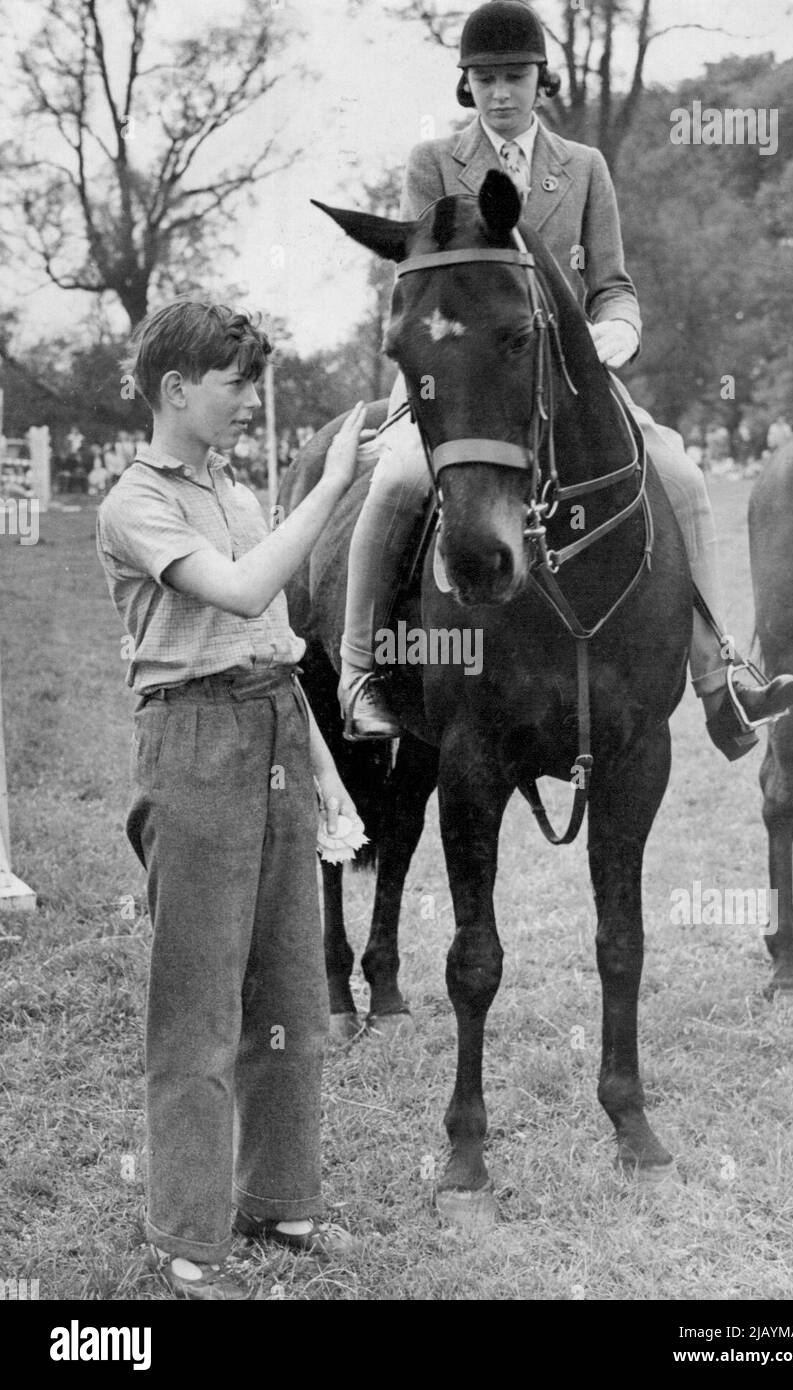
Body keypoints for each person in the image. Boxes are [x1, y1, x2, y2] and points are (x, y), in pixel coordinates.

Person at [338, 0, 793, 759]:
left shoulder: (583, 167)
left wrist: (617, 326)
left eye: (515, 77)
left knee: (680, 474)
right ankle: (362, 673)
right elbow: (428, 282)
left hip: (567, 376)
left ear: (539, 78)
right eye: (484, 80)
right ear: (467, 85)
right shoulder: (433, 165)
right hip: (460, 377)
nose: (501, 94)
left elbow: (612, 281)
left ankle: (722, 682)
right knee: (393, 484)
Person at [96, 299, 367, 1300]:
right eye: (230, 383)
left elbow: (275, 638)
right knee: (198, 1004)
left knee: (291, 988)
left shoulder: (240, 491)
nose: (246, 400)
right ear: (174, 390)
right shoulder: (136, 502)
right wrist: (336, 481)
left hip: (271, 729)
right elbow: (248, 592)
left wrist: (323, 767)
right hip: (195, 739)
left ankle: (279, 1200)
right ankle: (188, 1231)